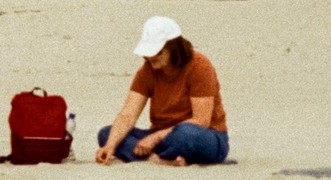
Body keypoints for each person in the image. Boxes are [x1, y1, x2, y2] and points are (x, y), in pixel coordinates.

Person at [95, 16, 230, 166]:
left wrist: (156, 137)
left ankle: (156, 155)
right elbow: (128, 114)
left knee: (185, 134)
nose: (150, 58)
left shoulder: (199, 66)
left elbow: (201, 120)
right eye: (147, 53)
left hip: (205, 136)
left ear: (173, 48)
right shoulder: (147, 70)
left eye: (157, 52)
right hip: (162, 137)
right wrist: (110, 146)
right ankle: (160, 160)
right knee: (107, 134)